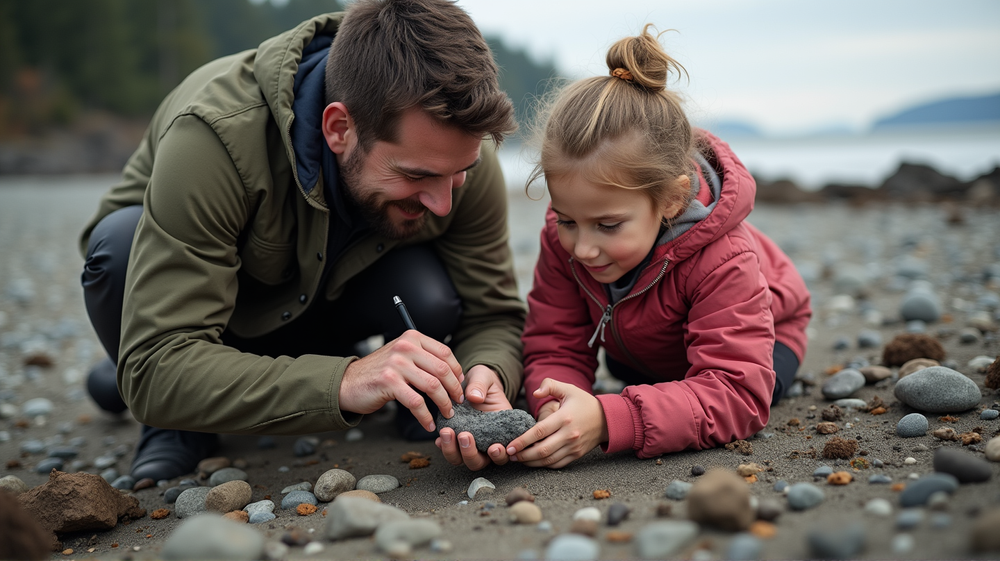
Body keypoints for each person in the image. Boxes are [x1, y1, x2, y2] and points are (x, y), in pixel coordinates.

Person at [78, 0, 525, 482]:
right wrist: (346, 381)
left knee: (428, 294)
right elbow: (157, 362)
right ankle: (177, 425)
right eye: (416, 175)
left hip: (332, 308)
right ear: (339, 129)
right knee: (117, 250)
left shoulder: (451, 151)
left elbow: (493, 314)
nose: (442, 202)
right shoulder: (215, 136)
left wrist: (487, 374)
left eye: (459, 172)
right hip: (211, 318)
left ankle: (412, 396)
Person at [503, 25, 812, 469]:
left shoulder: (725, 259)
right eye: (568, 220)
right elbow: (555, 341)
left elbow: (737, 393)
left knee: (743, 396)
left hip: (766, 340)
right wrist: (554, 402)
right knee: (628, 375)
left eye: (608, 225)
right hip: (645, 349)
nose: (582, 248)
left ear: (671, 200)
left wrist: (609, 419)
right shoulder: (562, 239)